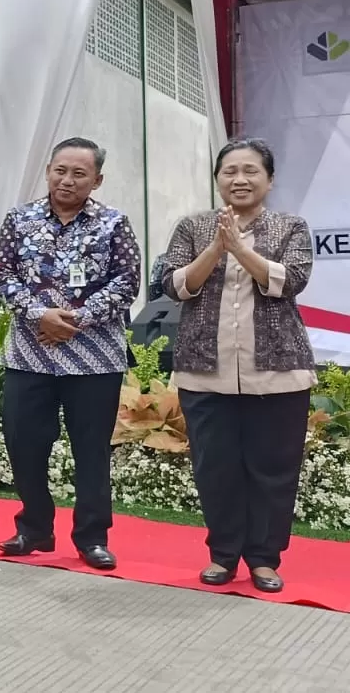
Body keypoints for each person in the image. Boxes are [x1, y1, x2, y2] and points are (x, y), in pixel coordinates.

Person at [160, 138, 317, 594]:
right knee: (216, 468)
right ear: (217, 179)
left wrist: (241, 251)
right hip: (204, 371)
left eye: (251, 171)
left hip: (278, 372)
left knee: (274, 470)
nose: (240, 179)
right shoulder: (193, 226)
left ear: (269, 179)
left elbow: (291, 281)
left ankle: (264, 560)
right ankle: (223, 555)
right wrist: (216, 247)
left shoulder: (291, 226)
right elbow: (174, 285)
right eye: (230, 171)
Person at [0, 137, 141, 571]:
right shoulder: (19, 219)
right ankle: (35, 528)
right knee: (23, 443)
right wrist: (40, 315)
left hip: (94, 358)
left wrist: (75, 320)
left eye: (79, 173)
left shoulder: (113, 223)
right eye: (60, 170)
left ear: (97, 180)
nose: (67, 180)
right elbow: (2, 273)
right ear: (48, 171)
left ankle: (92, 537)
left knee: (91, 451)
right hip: (30, 354)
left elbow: (127, 281)